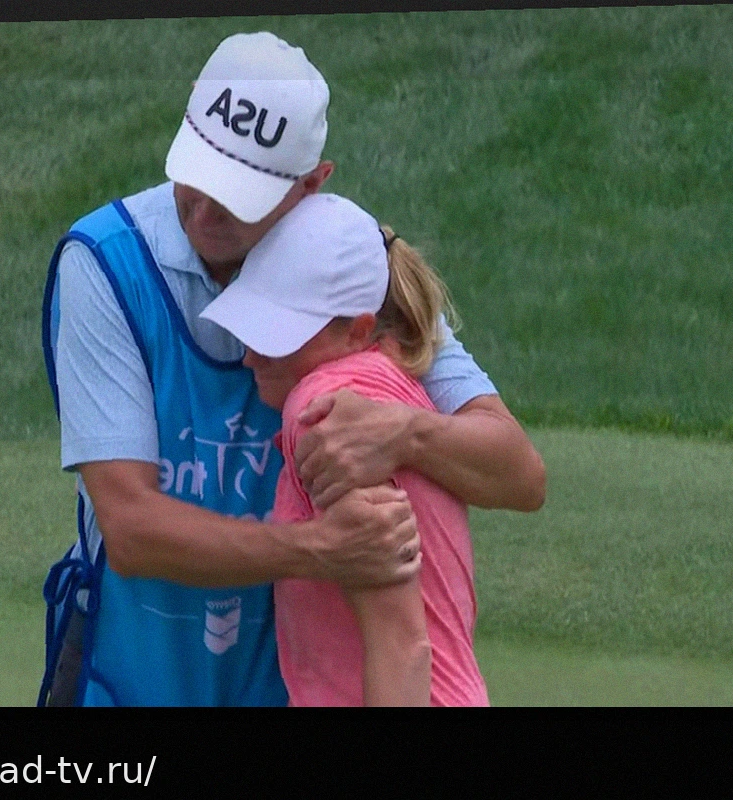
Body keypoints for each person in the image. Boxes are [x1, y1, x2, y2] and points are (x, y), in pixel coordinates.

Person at [39, 31, 544, 707]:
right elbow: (132, 529)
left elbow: (519, 474)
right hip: (130, 669)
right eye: (197, 174)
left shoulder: (346, 264)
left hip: (285, 686)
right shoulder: (105, 260)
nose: (205, 210)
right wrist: (320, 548)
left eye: (238, 194)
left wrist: (405, 432)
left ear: (311, 185)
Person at [200, 192, 489, 706]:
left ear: (357, 331)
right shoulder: (386, 385)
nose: (250, 357)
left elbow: (401, 646)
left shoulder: (322, 408)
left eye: (277, 336)